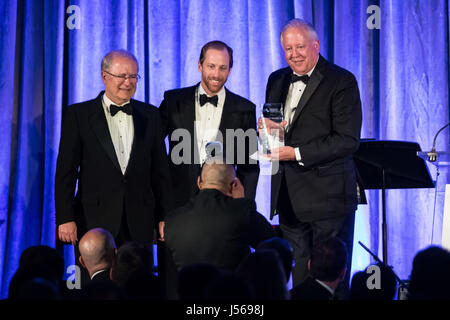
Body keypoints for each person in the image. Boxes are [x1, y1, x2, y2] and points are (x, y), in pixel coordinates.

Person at [55, 49, 172, 287]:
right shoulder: (79, 115)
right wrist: (65, 217)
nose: (128, 83)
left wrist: (164, 217)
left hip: (139, 220)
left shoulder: (151, 115)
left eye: (133, 77)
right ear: (104, 76)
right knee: (94, 288)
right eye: (122, 76)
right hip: (94, 220)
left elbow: (161, 172)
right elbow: (66, 171)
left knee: (139, 288)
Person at [260, 18, 362, 288]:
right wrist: (266, 132)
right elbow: (274, 133)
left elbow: (347, 140)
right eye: (288, 49)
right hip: (289, 199)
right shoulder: (276, 79)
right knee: (301, 282)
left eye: (300, 47)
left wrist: (295, 153)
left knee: (331, 282)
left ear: (316, 45)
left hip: (328, 200)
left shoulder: (342, 81)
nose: (294, 54)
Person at [159, 40, 259, 209]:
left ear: (230, 70)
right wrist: (161, 210)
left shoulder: (244, 108)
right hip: (178, 204)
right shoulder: (173, 101)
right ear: (200, 65)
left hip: (224, 206)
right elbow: (152, 147)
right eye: (211, 66)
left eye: (223, 68)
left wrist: (243, 210)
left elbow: (248, 167)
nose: (216, 74)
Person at [164, 158, 275, 297]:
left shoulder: (172, 220)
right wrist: (241, 202)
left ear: (199, 182)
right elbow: (275, 247)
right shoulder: (242, 213)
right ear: (234, 184)